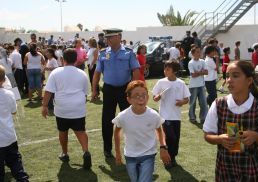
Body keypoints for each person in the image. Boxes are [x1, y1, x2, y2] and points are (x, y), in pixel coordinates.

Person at [203, 60, 258, 181]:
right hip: (224, 169)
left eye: (235, 76)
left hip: (251, 170)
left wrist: (256, 137)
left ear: (249, 80)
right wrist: (220, 139)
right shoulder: (218, 104)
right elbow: (207, 135)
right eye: (227, 76)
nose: (229, 80)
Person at [92, 28, 140, 158]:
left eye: (110, 37)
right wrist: (94, 89)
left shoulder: (129, 53)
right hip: (108, 89)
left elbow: (136, 71)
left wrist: (135, 89)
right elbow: (97, 73)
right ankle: (107, 149)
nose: (107, 40)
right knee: (107, 120)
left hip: (125, 89)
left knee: (130, 118)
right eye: (107, 38)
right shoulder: (103, 53)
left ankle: (132, 146)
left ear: (119, 37)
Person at [42, 48, 92, 169]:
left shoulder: (55, 73)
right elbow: (85, 93)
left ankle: (65, 154)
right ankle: (86, 152)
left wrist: (44, 106)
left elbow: (48, 91)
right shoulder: (82, 73)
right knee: (81, 131)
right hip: (78, 108)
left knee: (63, 132)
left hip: (62, 109)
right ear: (76, 60)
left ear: (62, 59)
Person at [113, 80, 171, 182]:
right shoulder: (122, 116)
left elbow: (160, 130)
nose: (141, 98)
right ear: (129, 99)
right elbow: (116, 132)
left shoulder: (153, 115)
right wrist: (117, 152)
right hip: (130, 155)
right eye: (136, 95)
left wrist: (163, 147)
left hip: (148, 154)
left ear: (148, 98)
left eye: (143, 95)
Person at [152, 60, 190, 169]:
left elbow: (187, 98)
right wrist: (157, 97)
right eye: (165, 68)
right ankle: (167, 159)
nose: (165, 71)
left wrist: (181, 102)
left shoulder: (180, 83)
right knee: (170, 137)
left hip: (176, 117)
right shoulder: (161, 82)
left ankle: (172, 157)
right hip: (164, 116)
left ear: (174, 71)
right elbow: (154, 97)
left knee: (176, 138)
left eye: (168, 69)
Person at [0, 65, 29, 182]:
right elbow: (14, 111)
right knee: (16, 165)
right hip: (9, 136)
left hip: (7, 137)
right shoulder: (8, 94)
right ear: (3, 79)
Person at [188, 47, 208, 124]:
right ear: (193, 54)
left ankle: (203, 118)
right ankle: (192, 118)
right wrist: (201, 72)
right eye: (197, 52)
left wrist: (198, 72)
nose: (199, 53)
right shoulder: (191, 63)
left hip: (202, 85)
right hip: (193, 86)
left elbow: (206, 72)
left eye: (200, 52)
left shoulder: (203, 61)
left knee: (203, 103)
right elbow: (193, 75)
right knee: (192, 103)